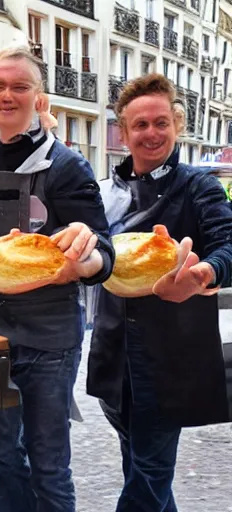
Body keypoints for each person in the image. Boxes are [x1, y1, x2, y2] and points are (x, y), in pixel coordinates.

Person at [0, 46, 114, 512]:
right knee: (1, 459)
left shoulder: (67, 167)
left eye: (20, 87)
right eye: (0, 86)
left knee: (48, 466)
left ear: (37, 97)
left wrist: (80, 261)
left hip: (49, 343)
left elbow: (104, 254)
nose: (8, 95)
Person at [87, 73, 232, 512]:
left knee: (145, 483)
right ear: (124, 132)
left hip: (170, 362)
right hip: (114, 355)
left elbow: (228, 243)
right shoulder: (107, 192)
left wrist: (204, 273)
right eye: (141, 125)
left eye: (161, 122)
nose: (152, 133)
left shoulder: (199, 187)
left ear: (177, 125)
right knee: (141, 471)